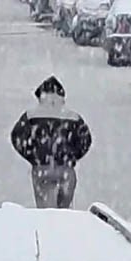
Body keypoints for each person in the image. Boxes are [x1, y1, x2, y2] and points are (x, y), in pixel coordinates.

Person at [10, 76, 92, 208]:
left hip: (42, 168)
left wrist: (33, 156)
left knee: (45, 212)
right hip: (66, 169)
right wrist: (71, 157)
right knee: (65, 213)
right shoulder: (73, 116)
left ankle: (47, 227)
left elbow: (16, 137)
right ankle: (63, 227)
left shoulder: (31, 115)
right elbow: (86, 140)